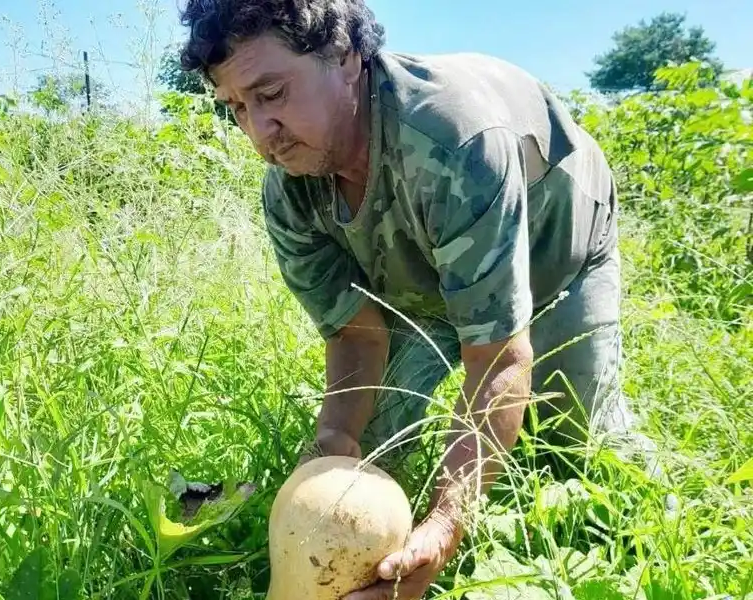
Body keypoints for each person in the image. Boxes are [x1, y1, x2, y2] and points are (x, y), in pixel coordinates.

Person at [178, 1, 642, 598]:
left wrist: (447, 524)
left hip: (555, 253)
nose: (258, 132)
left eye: (271, 94)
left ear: (345, 58)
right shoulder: (290, 192)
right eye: (237, 107)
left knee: (579, 450)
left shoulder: (456, 139)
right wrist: (334, 442)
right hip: (419, 279)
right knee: (360, 466)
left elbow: (497, 357)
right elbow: (356, 333)